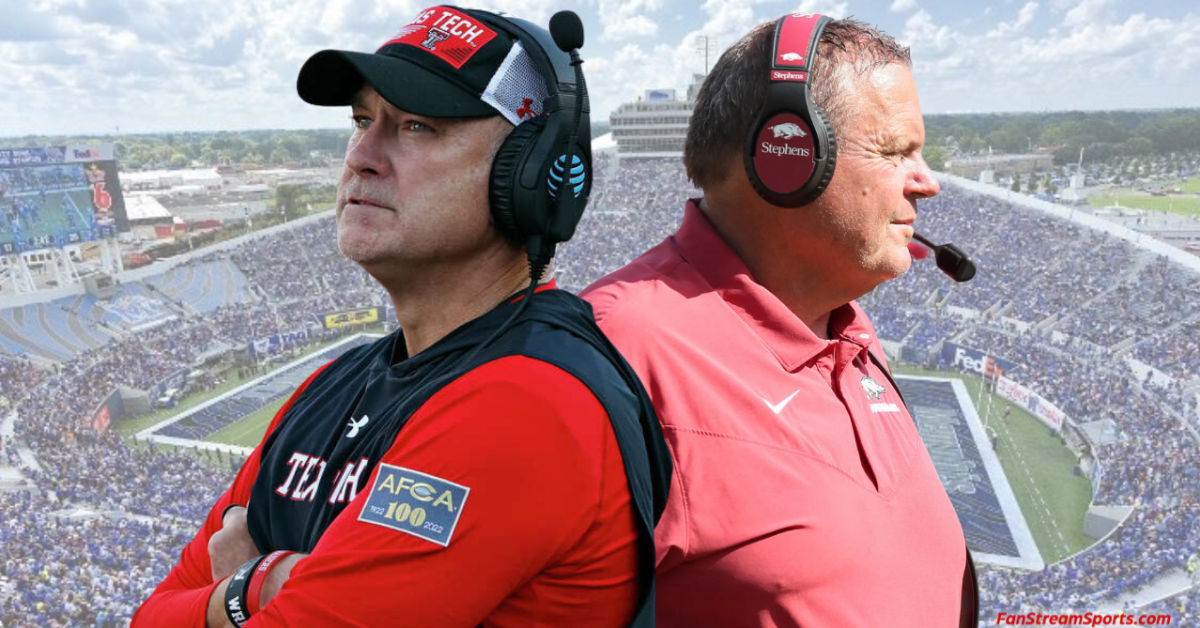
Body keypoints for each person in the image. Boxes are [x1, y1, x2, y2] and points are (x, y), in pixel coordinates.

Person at [133, 7, 668, 628]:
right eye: (362, 120)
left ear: (531, 175)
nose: (360, 155)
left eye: (417, 125)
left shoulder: (529, 402)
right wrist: (265, 587)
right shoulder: (326, 386)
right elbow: (147, 617)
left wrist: (244, 585)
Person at [582, 13, 979, 628]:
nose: (926, 183)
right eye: (896, 151)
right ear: (786, 155)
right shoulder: (613, 357)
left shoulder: (845, 332)